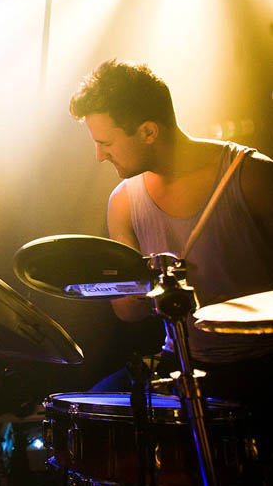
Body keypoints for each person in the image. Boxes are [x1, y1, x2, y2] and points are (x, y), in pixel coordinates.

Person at [68, 59, 273, 410]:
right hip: (181, 362)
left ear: (148, 132)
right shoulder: (123, 203)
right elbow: (129, 313)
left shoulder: (252, 177)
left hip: (263, 364)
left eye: (106, 143)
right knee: (88, 407)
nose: (99, 156)